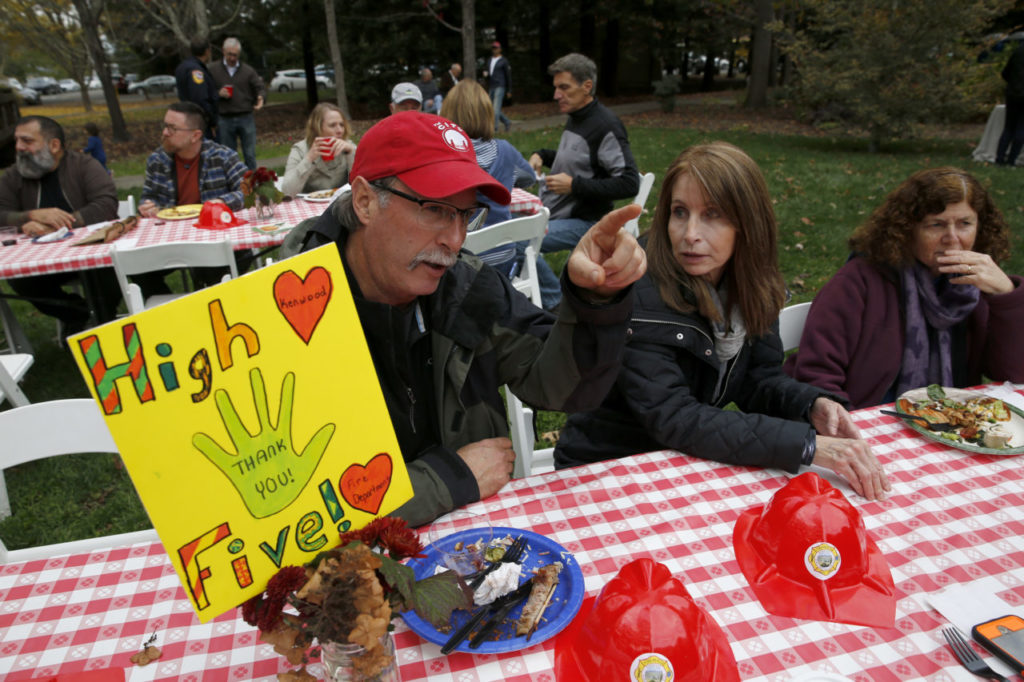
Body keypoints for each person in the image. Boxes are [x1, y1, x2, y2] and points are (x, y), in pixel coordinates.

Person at [299, 111, 647, 526]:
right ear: (365, 201)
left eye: (464, 215)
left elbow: (561, 389)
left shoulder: (464, 286)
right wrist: (450, 480)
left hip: (472, 548)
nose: (455, 239)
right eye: (435, 209)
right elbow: (289, 519)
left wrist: (594, 301)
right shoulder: (283, 317)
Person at [555, 142, 889, 502]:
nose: (690, 234)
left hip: (684, 462)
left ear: (747, 223)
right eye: (680, 212)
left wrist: (810, 406)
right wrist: (807, 445)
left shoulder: (750, 285)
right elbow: (674, 416)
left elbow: (758, 380)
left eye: (712, 214)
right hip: (605, 469)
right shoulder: (638, 287)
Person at [785, 167, 1024, 409]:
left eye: (965, 223)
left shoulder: (976, 286)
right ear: (906, 229)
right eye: (936, 225)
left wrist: (1006, 296)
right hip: (868, 422)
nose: (952, 238)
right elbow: (816, 374)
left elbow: (1014, 372)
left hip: (953, 420)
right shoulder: (859, 282)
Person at [528, 52, 639, 309]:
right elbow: (581, 160)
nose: (556, 95)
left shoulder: (605, 125)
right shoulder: (578, 118)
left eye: (564, 87)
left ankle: (555, 302)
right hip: (558, 214)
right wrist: (542, 155)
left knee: (518, 240)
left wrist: (574, 186)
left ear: (586, 86)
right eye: (556, 88)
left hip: (587, 221)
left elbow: (629, 182)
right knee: (511, 230)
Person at [0, 116, 119, 333]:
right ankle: (76, 314)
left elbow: (106, 205)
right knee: (20, 280)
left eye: (27, 141)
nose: (19, 148)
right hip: (38, 258)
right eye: (17, 141)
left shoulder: (84, 166)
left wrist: (60, 224)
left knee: (105, 273)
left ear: (54, 145)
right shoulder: (13, 176)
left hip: (88, 252)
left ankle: (105, 327)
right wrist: (30, 216)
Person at [439, 80, 535, 273]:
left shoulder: (444, 155)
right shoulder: (505, 151)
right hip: (503, 260)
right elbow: (529, 178)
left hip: (459, 262)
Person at [139, 102, 247, 216]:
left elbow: (249, 192)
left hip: (214, 226)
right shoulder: (157, 160)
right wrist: (148, 206)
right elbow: (149, 196)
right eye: (165, 126)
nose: (165, 132)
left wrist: (222, 202)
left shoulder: (223, 157)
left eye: (172, 128)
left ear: (195, 135)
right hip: (172, 229)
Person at [208, 37, 265, 170]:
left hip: (245, 116)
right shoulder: (213, 70)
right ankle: (232, 183)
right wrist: (218, 93)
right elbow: (207, 92)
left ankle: (252, 184)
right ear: (223, 51)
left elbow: (259, 86)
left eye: (235, 55)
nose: (232, 58)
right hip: (224, 118)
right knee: (228, 155)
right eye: (229, 54)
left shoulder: (248, 71)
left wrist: (261, 97)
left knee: (250, 154)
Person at [280, 102, 357, 196]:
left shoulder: (348, 147)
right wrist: (309, 159)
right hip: (309, 205)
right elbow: (287, 192)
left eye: (341, 125)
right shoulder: (300, 150)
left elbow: (363, 186)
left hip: (340, 203)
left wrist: (351, 154)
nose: (340, 130)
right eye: (332, 125)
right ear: (317, 128)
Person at [175, 38, 219, 139]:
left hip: (187, 119)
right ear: (207, 51)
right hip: (200, 122)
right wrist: (212, 121)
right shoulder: (196, 71)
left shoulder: (182, 67)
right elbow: (200, 98)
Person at [997, 40, 1024, 166]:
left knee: (1008, 127)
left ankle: (1000, 158)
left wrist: (1014, 83)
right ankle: (1011, 160)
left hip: (1013, 93)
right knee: (1021, 128)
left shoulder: (1018, 51)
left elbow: (1005, 72)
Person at [485, 41, 512, 132]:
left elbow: (508, 75)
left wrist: (509, 90)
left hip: (500, 85)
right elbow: (488, 72)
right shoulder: (490, 60)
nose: (494, 50)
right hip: (491, 85)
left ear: (500, 49)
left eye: (496, 48)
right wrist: (486, 74)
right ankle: (507, 121)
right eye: (493, 48)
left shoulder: (504, 61)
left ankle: (494, 129)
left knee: (496, 107)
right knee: (491, 108)